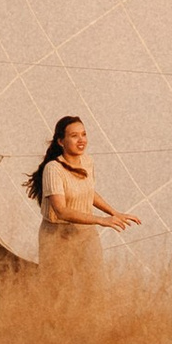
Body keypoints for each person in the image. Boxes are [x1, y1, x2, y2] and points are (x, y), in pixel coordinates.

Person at [28, 114, 140, 278]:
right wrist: (101, 220)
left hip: (86, 234)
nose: (81, 140)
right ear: (61, 141)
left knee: (92, 285)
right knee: (57, 291)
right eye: (74, 136)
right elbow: (61, 210)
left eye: (84, 134)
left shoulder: (87, 162)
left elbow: (87, 192)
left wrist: (113, 213)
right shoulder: (53, 169)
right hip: (57, 235)